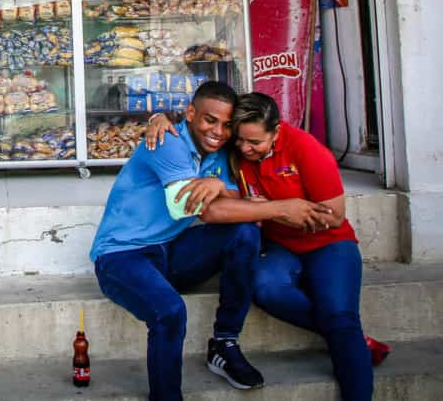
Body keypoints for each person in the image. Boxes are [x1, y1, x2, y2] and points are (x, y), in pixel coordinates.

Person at [146, 92, 390, 401]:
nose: (245, 149)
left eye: (255, 143)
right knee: (263, 287)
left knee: (340, 315)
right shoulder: (234, 151)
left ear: (276, 132)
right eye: (241, 141)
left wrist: (273, 208)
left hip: (328, 244)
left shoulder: (305, 148)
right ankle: (351, 341)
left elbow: (333, 216)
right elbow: (199, 120)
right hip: (279, 246)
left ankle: (349, 347)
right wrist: (158, 118)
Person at [90, 81, 268, 400]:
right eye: (210, 120)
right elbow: (183, 204)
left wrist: (217, 185)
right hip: (122, 257)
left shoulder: (218, 151)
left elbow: (234, 201)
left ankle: (224, 343)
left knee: (244, 232)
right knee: (170, 311)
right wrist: (224, 190)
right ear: (190, 113)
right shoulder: (167, 139)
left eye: (228, 125)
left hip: (170, 252)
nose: (218, 131)